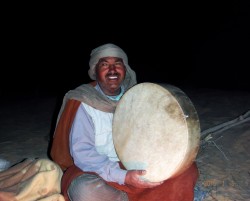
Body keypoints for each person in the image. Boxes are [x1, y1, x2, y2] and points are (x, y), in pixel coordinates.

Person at [50, 43, 199, 201]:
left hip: (135, 167)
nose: (112, 70)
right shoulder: (85, 102)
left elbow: (154, 136)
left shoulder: (139, 96)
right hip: (98, 170)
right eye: (105, 64)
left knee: (186, 169)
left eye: (117, 64)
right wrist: (123, 176)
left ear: (125, 69)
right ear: (95, 71)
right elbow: (83, 154)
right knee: (84, 190)